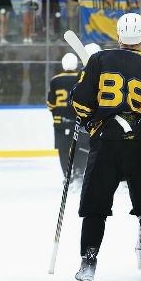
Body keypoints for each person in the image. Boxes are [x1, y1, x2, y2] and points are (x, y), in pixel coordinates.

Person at [71, 13, 141, 281]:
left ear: (118, 36)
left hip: (105, 144)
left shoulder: (98, 60)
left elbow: (81, 102)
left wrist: (90, 120)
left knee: (95, 207)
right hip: (140, 144)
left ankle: (88, 260)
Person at [46, 53, 87, 185]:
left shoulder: (55, 80)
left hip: (60, 122)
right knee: (81, 147)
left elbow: (50, 104)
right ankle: (79, 172)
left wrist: (58, 114)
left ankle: (67, 175)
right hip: (78, 122)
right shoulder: (81, 78)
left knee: (63, 149)